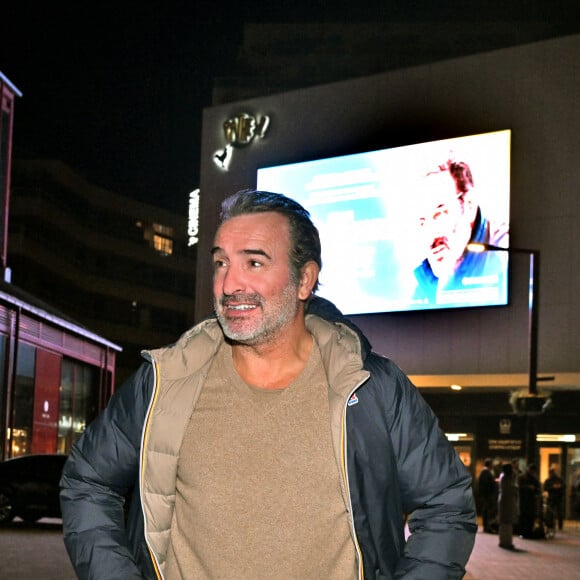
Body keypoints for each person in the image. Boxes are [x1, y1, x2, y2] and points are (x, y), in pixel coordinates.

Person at [59, 189, 477, 579]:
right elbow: (87, 481)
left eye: (254, 263)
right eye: (221, 262)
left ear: (304, 281)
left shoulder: (372, 387)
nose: (229, 284)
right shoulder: (167, 380)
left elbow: (446, 505)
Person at [412, 159, 508, 306]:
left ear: (469, 205)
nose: (431, 235)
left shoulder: (505, 259)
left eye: (439, 214)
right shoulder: (423, 288)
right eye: (423, 221)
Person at [497, 462, 519, 550]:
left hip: (505, 501)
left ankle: (505, 541)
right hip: (507, 501)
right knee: (507, 523)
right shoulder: (506, 478)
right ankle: (506, 541)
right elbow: (510, 489)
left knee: (505, 523)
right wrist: (515, 488)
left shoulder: (503, 476)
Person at [517, 463, 542, 538]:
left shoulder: (534, 479)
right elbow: (519, 488)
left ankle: (528, 532)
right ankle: (523, 532)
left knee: (530, 517)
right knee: (523, 517)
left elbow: (538, 489)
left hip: (530, 501)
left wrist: (535, 489)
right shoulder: (521, 477)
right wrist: (529, 488)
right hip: (524, 501)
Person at [478, 457, 498, 533]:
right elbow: (488, 484)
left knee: (486, 511)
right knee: (488, 511)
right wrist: (494, 482)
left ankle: (486, 526)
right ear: (489, 464)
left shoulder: (484, 472)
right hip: (487, 495)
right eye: (492, 464)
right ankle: (487, 527)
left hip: (485, 495)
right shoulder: (486, 472)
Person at [544, 466, 565, 531]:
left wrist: (559, 487)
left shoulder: (559, 479)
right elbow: (545, 488)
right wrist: (553, 487)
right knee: (550, 512)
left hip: (558, 498)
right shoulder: (548, 480)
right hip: (551, 498)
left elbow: (564, 486)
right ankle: (550, 525)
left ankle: (560, 526)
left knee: (559, 513)